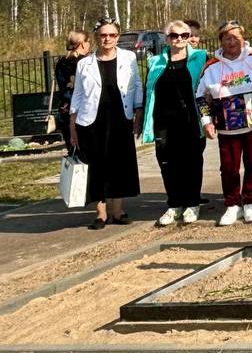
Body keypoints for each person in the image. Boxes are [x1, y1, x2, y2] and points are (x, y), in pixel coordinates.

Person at [197, 20, 252, 226]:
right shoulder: (211, 67)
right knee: (229, 168)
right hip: (227, 128)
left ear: (243, 39)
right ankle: (232, 204)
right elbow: (200, 97)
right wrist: (206, 121)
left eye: (236, 38)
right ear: (220, 41)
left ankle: (250, 202)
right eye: (227, 38)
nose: (232, 42)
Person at [69, 20, 143, 229]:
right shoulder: (85, 63)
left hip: (121, 118)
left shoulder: (128, 58)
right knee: (97, 165)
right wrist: (72, 125)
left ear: (118, 37)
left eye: (112, 35)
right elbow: (78, 95)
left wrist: (138, 110)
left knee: (120, 164)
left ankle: (118, 211)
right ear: (97, 37)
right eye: (103, 35)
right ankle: (101, 213)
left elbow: (136, 84)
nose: (107, 39)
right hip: (92, 121)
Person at [142, 21, 208, 226]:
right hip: (164, 121)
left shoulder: (201, 57)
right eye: (174, 35)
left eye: (184, 35)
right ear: (167, 38)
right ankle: (174, 204)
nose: (179, 39)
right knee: (168, 164)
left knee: (192, 162)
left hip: (190, 120)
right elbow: (149, 92)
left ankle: (192, 203)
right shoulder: (155, 62)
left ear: (189, 37)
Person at [54, 30, 91, 152]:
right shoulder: (85, 62)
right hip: (83, 109)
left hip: (65, 108)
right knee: (87, 151)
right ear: (82, 43)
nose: (89, 44)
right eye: (88, 41)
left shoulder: (60, 62)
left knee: (73, 149)